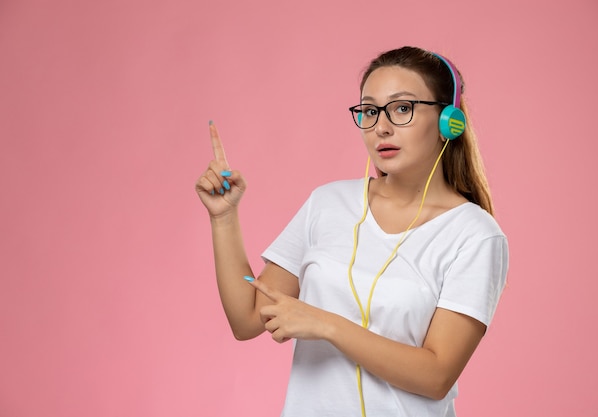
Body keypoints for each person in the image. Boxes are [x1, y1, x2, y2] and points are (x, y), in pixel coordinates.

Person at [195, 45, 509, 417]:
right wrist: (224, 217)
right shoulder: (326, 204)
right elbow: (247, 319)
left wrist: (326, 324)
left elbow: (437, 374)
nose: (382, 126)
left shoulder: (474, 234)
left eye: (402, 108)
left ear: (448, 122)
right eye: (370, 111)